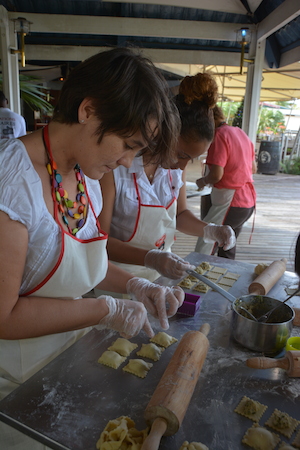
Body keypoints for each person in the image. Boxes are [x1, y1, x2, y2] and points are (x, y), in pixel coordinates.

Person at [0, 47, 185, 450]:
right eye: (128, 144)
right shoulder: (12, 183)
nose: (126, 162)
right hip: (14, 389)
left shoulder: (84, 177)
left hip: (64, 362)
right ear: (88, 110)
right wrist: (106, 309)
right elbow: (5, 316)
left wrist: (135, 284)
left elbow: (82, 264)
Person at [99, 73, 236, 282]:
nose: (180, 167)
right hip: (117, 279)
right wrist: (151, 258)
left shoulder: (173, 170)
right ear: (163, 131)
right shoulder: (116, 167)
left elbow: (180, 214)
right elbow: (101, 241)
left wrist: (210, 230)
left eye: (189, 160)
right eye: (180, 155)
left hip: (160, 275)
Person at [195, 105, 257, 259]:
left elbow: (216, 175)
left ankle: (193, 278)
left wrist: (202, 181)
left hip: (230, 201)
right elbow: (253, 168)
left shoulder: (220, 135)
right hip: (247, 202)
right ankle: (225, 281)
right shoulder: (240, 133)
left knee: (206, 242)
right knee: (227, 245)